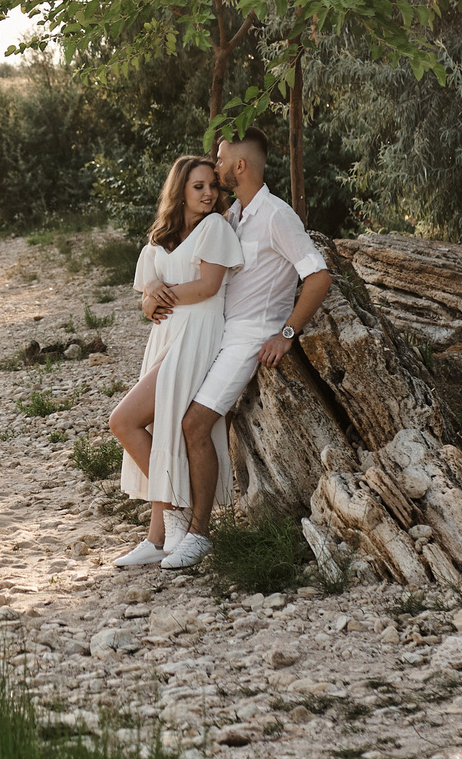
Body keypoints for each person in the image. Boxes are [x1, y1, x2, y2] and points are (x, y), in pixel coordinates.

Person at [136, 129, 335, 564]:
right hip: (214, 335)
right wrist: (151, 289)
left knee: (194, 423)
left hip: (248, 338)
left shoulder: (277, 216)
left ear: (239, 166)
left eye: (222, 159)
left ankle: (200, 533)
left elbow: (318, 275)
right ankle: (164, 528)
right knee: (170, 417)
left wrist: (286, 334)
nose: (217, 164)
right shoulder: (233, 216)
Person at [105, 156, 243, 569]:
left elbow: (208, 286)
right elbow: (146, 292)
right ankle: (159, 534)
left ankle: (178, 513)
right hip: (165, 336)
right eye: (199, 186)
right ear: (180, 189)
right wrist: (150, 300)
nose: (208, 193)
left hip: (198, 335)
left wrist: (160, 296)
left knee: (124, 420)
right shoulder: (161, 238)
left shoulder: (215, 228)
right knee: (156, 427)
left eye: (212, 187)